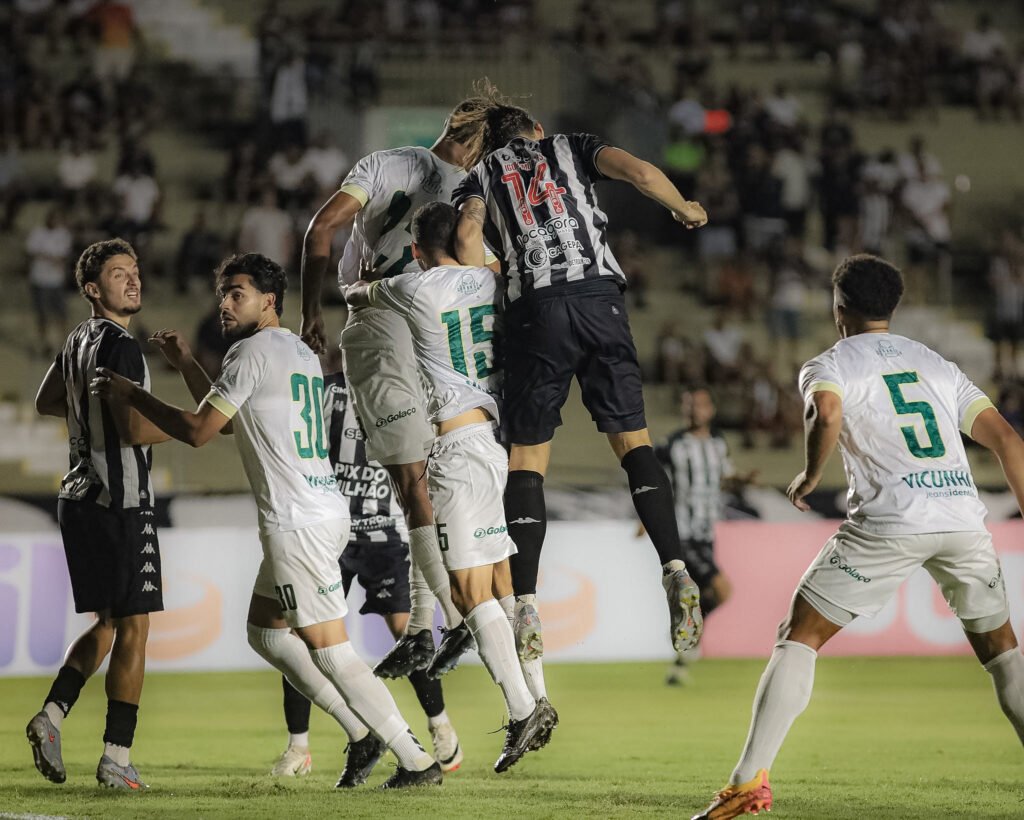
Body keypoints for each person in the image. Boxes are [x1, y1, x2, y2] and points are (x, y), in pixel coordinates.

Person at [91, 253, 441, 789]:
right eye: (223, 294)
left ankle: (415, 759)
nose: (225, 304)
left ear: (268, 301)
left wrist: (133, 393)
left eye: (237, 294)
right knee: (265, 632)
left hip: (297, 522)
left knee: (331, 650)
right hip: (316, 512)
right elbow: (237, 424)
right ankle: (360, 731)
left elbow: (201, 431)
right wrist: (186, 363)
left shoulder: (250, 351)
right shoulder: (295, 350)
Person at [693, 255, 1024, 819]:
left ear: (837, 306)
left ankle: (746, 785)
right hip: (963, 521)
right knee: (1003, 652)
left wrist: (811, 473)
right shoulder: (936, 364)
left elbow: (825, 411)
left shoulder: (831, 362)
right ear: (892, 306)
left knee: (799, 635)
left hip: (892, 521)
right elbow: (1008, 441)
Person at [452, 93, 707, 678]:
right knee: (635, 444)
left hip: (535, 311)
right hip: (599, 299)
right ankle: (675, 568)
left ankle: (525, 605)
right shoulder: (573, 146)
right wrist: (683, 207)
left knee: (528, 460)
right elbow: (641, 173)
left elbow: (468, 236)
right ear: (537, 130)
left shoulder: (479, 175)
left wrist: (487, 277)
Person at [345, 201, 558, 773]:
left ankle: (523, 710)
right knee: (496, 582)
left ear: (416, 249)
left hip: (456, 453)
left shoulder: (414, 288)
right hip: (493, 443)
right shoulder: (491, 278)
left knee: (468, 594)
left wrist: (367, 285)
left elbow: (354, 297)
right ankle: (535, 696)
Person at [299, 91, 503, 679]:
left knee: (410, 482)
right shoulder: (470, 199)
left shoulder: (385, 164)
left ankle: (442, 621)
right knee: (421, 484)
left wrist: (312, 312)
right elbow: (483, 272)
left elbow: (322, 228)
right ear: (476, 145)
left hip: (380, 319)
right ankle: (425, 625)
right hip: (431, 332)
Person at [273, 351, 463, 779]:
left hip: (386, 536)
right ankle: (298, 746)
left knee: (404, 631)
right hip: (333, 534)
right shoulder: (329, 391)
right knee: (302, 635)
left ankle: (440, 724)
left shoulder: (403, 393)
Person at [27, 238, 168, 791]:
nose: (132, 280)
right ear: (92, 289)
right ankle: (116, 758)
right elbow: (134, 431)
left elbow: (46, 401)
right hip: (121, 501)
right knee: (135, 628)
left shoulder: (76, 340)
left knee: (108, 623)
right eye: (117, 274)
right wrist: (191, 426)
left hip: (77, 499)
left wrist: (87, 414)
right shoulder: (121, 345)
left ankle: (52, 716)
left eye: (134, 271)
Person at [658, 386, 754, 686]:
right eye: (688, 405)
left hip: (706, 530)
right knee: (721, 589)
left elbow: (723, 476)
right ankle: (689, 626)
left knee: (703, 596)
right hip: (682, 532)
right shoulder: (672, 444)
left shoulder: (718, 442)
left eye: (698, 405)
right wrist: (647, 519)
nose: (693, 411)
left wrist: (740, 479)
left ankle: (682, 656)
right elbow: (656, 484)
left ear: (710, 410)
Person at [25, 207, 72, 356]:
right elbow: (31, 252)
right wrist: (49, 257)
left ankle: (63, 343)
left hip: (56, 280)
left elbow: (64, 255)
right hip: (39, 279)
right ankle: (44, 343)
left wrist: (48, 256)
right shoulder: (37, 233)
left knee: (61, 314)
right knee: (42, 315)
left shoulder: (64, 234)